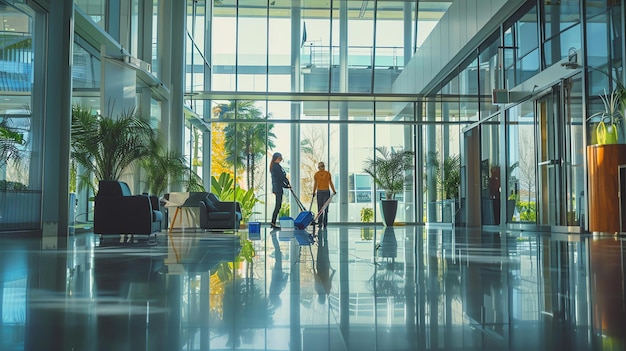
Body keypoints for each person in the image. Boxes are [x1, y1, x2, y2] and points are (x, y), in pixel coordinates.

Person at [312, 161, 336, 228]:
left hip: (326, 192)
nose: (321, 168)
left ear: (324, 166)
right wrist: (313, 192)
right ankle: (319, 223)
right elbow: (315, 184)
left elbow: (330, 183)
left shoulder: (328, 174)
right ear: (318, 167)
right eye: (319, 166)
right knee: (320, 208)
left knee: (326, 208)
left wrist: (334, 191)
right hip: (319, 192)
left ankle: (325, 223)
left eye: (322, 166)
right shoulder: (316, 174)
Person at [270, 152, 290, 228]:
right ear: (276, 158)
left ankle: (273, 223)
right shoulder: (276, 166)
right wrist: (287, 183)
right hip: (278, 188)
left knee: (278, 205)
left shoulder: (275, 166)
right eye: (280, 158)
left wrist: (286, 185)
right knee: (278, 206)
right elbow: (281, 177)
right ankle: (273, 223)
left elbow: (279, 178)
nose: (281, 159)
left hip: (277, 187)